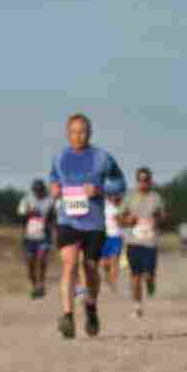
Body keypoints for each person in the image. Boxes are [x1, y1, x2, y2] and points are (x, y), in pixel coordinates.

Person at [50, 113, 125, 338]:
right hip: (67, 220)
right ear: (67, 133)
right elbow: (53, 178)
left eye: (82, 131)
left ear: (90, 133)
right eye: (73, 132)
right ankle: (68, 316)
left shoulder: (102, 158)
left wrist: (100, 190)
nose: (78, 136)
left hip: (94, 223)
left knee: (91, 268)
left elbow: (120, 184)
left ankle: (91, 306)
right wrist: (54, 187)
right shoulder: (60, 157)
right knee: (70, 264)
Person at [121, 167, 166, 318]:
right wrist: (128, 220)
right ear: (136, 181)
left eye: (146, 180)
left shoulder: (156, 198)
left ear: (150, 181)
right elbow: (119, 217)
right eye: (140, 180)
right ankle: (137, 306)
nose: (143, 183)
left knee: (148, 274)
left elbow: (164, 216)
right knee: (135, 275)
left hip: (150, 242)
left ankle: (151, 281)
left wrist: (157, 220)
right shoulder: (129, 197)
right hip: (133, 241)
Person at [17, 179, 55, 298]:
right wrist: (30, 212)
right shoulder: (27, 199)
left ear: (44, 190)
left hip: (44, 236)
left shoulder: (50, 200)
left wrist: (50, 221)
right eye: (36, 191)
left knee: (42, 258)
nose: (38, 193)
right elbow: (20, 212)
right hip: (29, 236)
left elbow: (55, 216)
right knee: (30, 262)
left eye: (40, 190)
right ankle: (34, 286)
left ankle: (41, 284)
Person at [99, 178, 127, 292]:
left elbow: (126, 222)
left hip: (117, 236)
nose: (115, 196)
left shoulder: (123, 206)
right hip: (104, 236)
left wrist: (121, 220)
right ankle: (109, 280)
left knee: (114, 260)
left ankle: (114, 284)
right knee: (105, 263)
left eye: (117, 194)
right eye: (112, 194)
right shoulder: (103, 204)